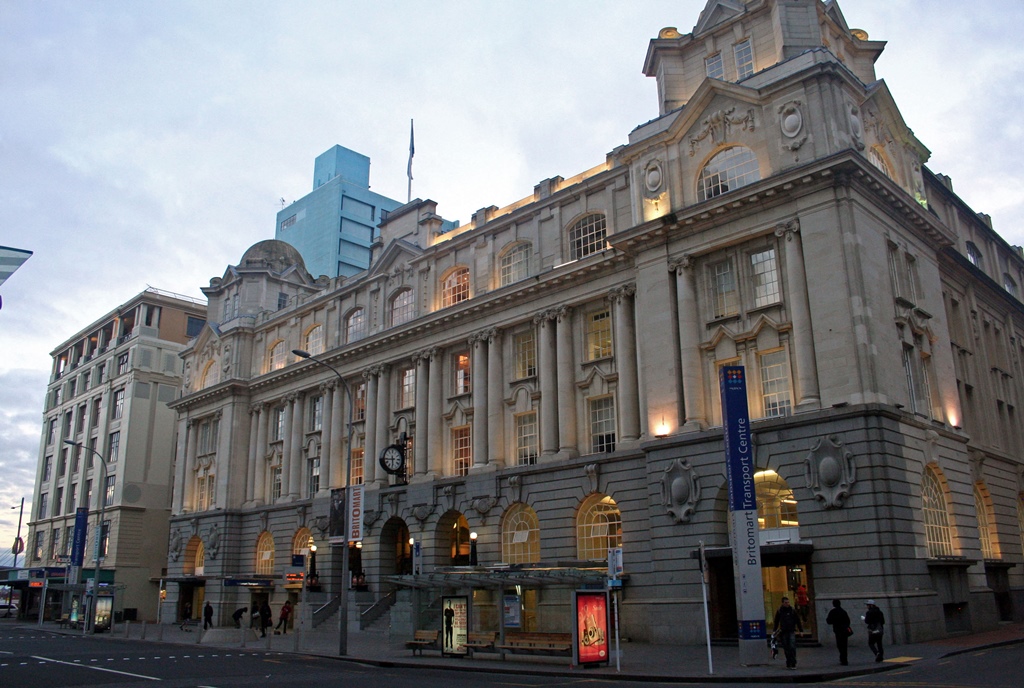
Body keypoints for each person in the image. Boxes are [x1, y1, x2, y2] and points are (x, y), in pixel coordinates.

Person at [772, 596, 803, 669]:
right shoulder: (780, 611)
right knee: (786, 648)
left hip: (791, 630)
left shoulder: (792, 610)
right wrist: (774, 630)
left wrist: (801, 630)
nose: (787, 604)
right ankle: (789, 662)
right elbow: (776, 621)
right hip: (783, 631)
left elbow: (797, 620)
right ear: (782, 603)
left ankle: (793, 662)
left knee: (792, 647)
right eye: (786, 602)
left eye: (788, 602)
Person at [825, 599, 851, 665]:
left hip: (838, 630)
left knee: (839, 645)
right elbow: (848, 621)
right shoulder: (843, 611)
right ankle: (844, 659)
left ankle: (842, 658)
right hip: (844, 630)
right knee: (844, 645)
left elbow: (828, 621)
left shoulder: (833, 612)